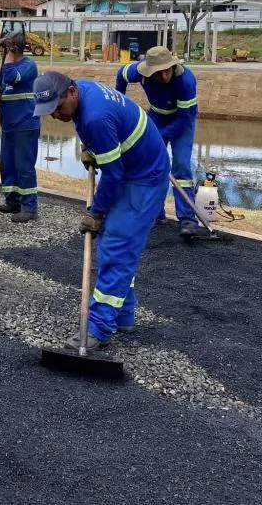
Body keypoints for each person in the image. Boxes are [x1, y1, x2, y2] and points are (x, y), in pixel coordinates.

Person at [32, 71, 170, 350]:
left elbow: (113, 175)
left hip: (144, 179)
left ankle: (98, 328)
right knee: (112, 246)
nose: (55, 115)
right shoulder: (82, 94)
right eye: (49, 111)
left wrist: (96, 212)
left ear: (71, 92)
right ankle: (124, 315)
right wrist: (93, 149)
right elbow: (103, 137)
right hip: (133, 168)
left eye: (58, 107)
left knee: (118, 247)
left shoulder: (95, 116)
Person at [115, 46, 199, 238]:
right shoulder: (138, 71)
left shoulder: (186, 80)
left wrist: (161, 136)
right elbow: (121, 75)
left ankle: (187, 219)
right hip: (156, 116)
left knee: (181, 167)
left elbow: (184, 118)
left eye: (166, 71)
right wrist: (119, 104)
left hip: (181, 119)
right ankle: (156, 214)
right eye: (157, 73)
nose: (163, 77)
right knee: (151, 166)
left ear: (172, 66)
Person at [0, 31, 40, 223]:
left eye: (3, 47)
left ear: (13, 48)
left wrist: (9, 55)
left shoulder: (28, 66)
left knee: (24, 167)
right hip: (9, 124)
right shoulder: (6, 66)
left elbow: (10, 78)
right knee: (7, 165)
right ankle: (12, 201)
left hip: (25, 124)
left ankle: (29, 207)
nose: (0, 51)